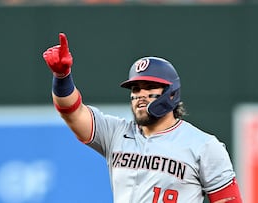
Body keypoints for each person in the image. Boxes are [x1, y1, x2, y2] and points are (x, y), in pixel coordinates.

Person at [42, 33, 242, 203]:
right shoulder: (116, 133)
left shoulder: (203, 146)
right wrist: (62, 77)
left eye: (149, 87)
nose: (140, 95)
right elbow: (72, 111)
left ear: (171, 92)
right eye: (136, 89)